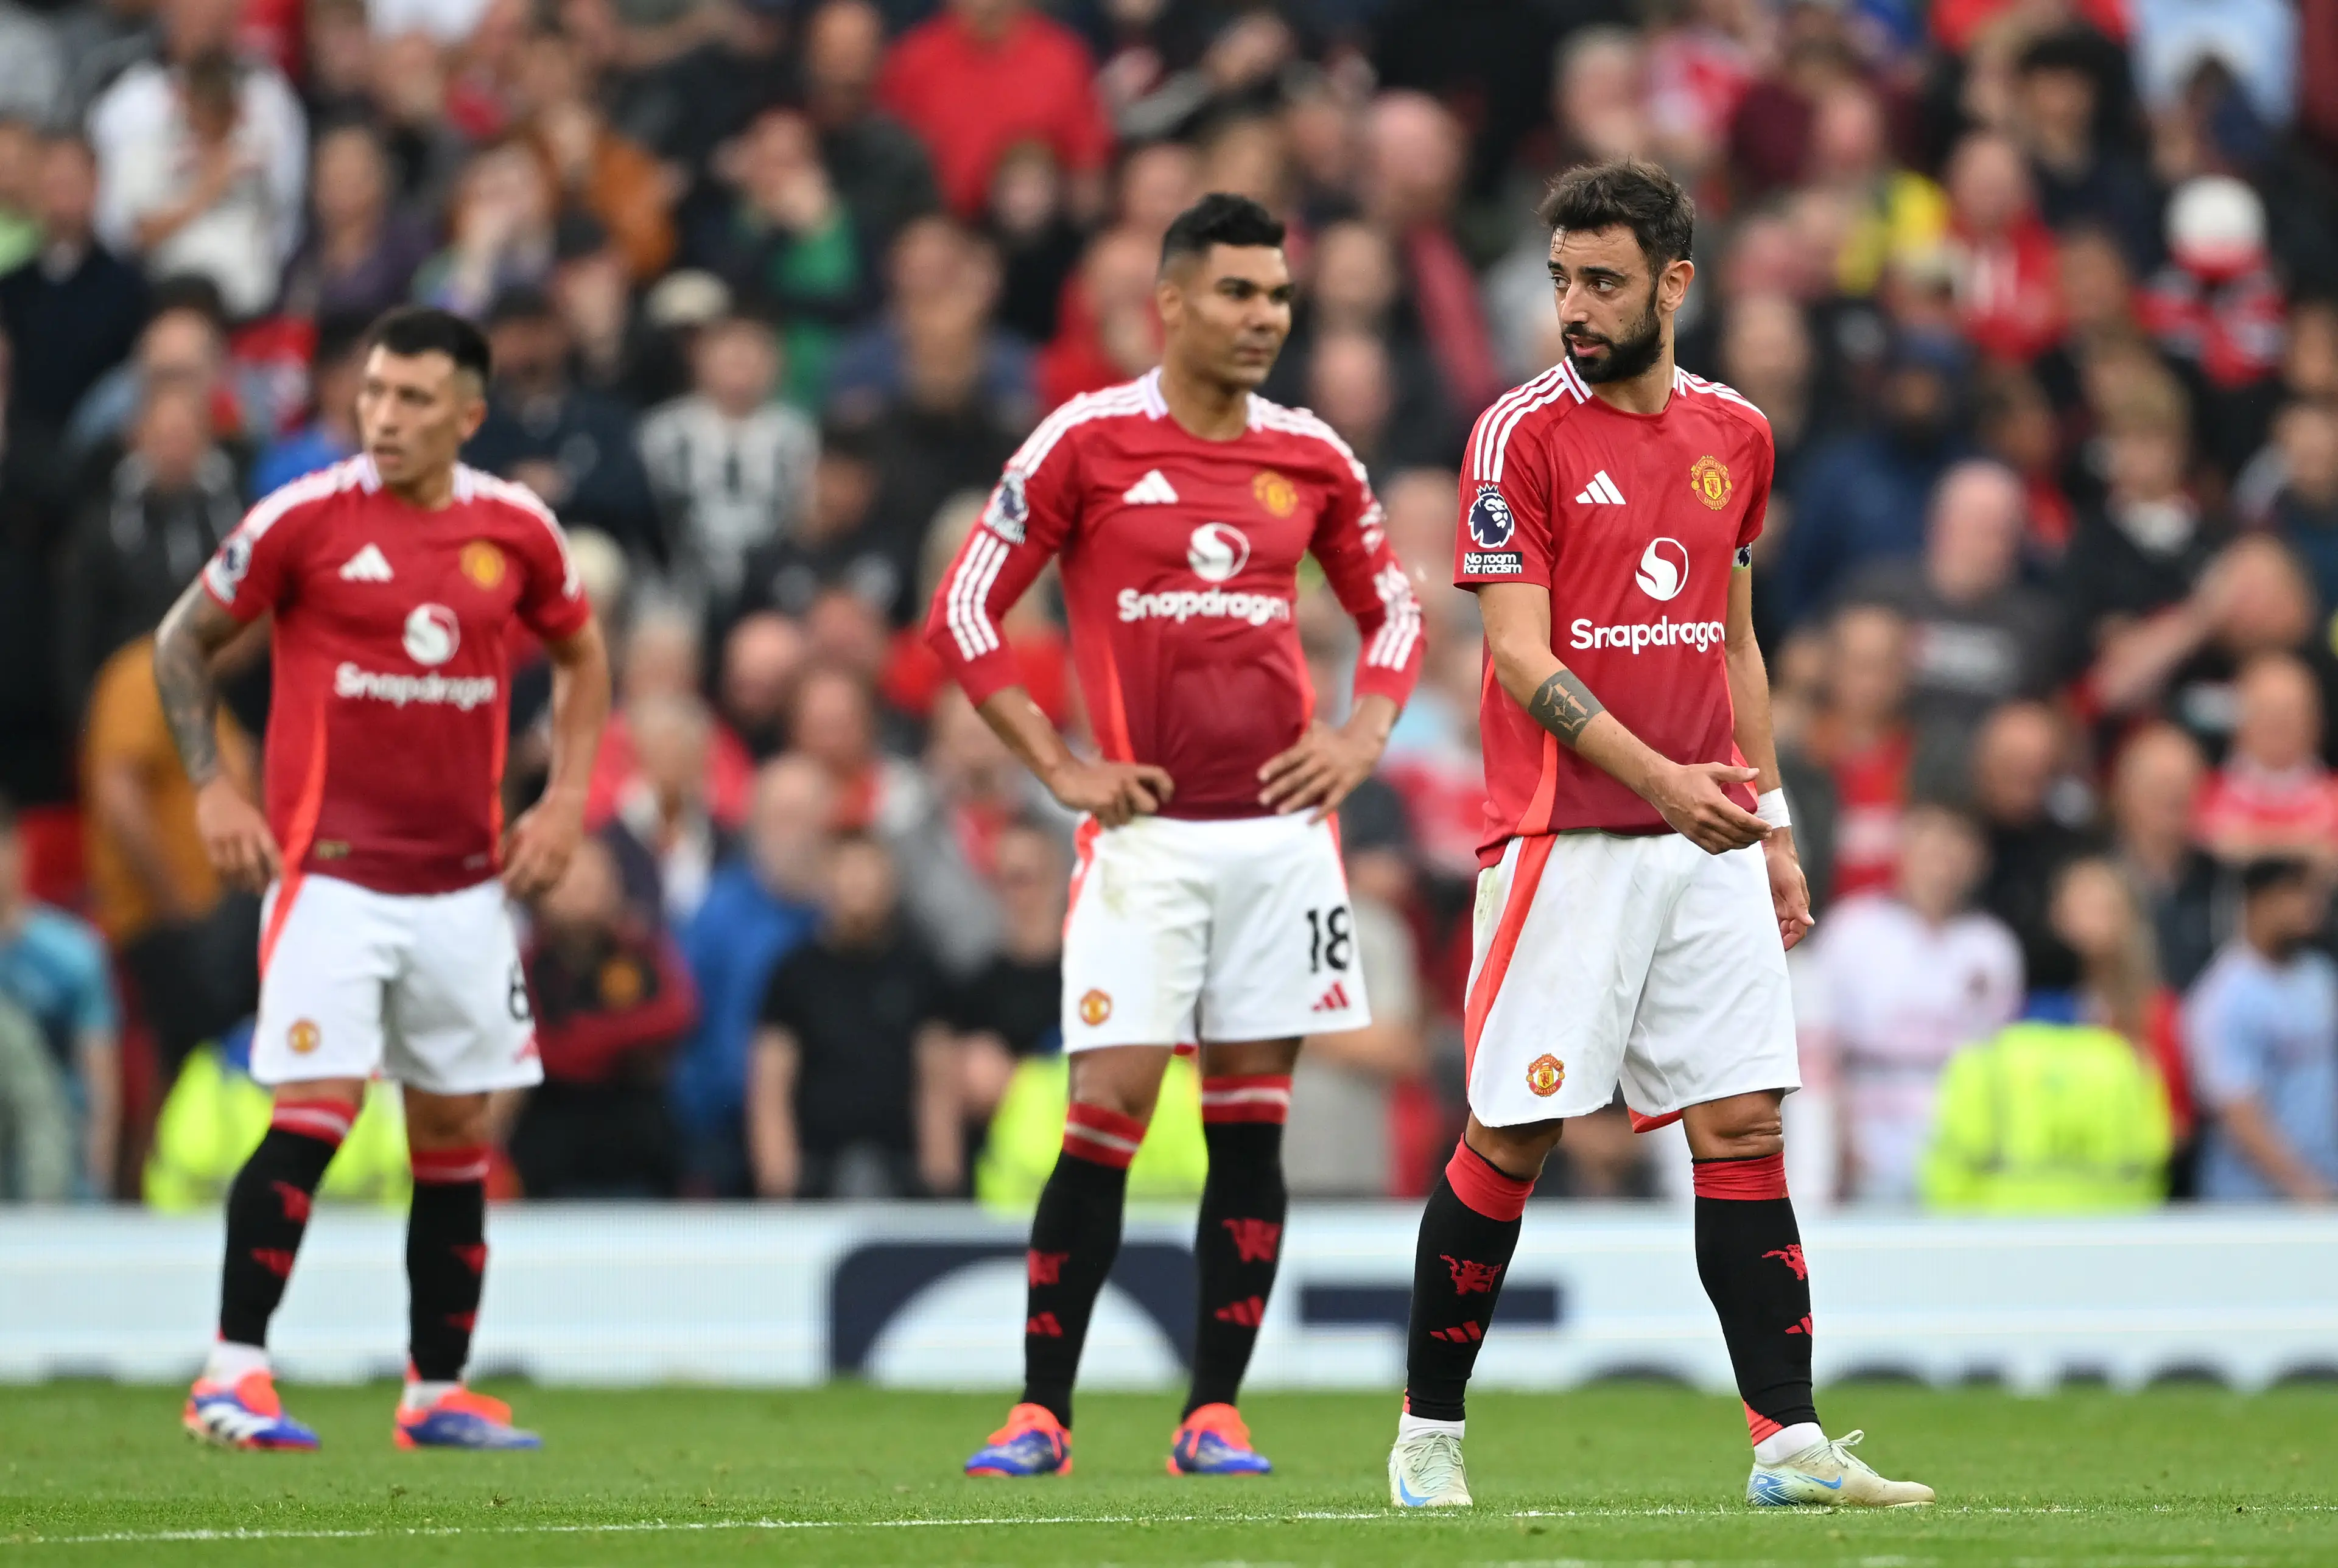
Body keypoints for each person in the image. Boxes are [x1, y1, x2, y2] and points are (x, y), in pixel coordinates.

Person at [1392, 159, 1930, 1511]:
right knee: (1517, 1132)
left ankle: (1788, 1442)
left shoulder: (1736, 433)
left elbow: (1734, 639)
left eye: (1604, 282)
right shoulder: (1515, 435)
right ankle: (1427, 1435)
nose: (1575, 307)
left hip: (1709, 843)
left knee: (1743, 1121)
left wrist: (1772, 820)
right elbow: (1517, 657)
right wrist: (1663, 781)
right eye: (1564, 279)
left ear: (1676, 284)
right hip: (1564, 834)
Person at [927, 193, 1424, 1479]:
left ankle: (1214, 1411)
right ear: (1171, 303)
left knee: (1251, 1124)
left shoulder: (1313, 457)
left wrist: (1363, 741)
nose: (1265, 317)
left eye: (1278, 296)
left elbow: (1399, 612)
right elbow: (965, 612)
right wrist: (1058, 764)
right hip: (1145, 843)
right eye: (1238, 294)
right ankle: (1043, 1408)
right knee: (1111, 1107)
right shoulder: (1085, 443)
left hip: (1278, 844)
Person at [153, 307, 611, 1451]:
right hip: (334, 881)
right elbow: (182, 642)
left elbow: (584, 654)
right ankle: (232, 1373)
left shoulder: (519, 530)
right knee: (317, 1108)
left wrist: (561, 803)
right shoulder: (305, 518)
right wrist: (212, 784)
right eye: (373, 394)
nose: (385, 417)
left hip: (464, 890)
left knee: (455, 1129)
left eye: (412, 399)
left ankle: (435, 1392)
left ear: (470, 412)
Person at [1805, 805, 2024, 1202]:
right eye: (1930, 842)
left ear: (1978, 858)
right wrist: (1836, 1150)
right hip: (1871, 1164)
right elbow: (1821, 1056)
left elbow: (2002, 1066)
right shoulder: (1850, 931)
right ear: (1903, 848)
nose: (1942, 858)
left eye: (1955, 844)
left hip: (1966, 1170)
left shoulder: (1995, 946)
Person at [747, 831, 955, 1199]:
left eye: (869, 871)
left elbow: (936, 1078)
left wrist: (941, 1176)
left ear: (890, 884)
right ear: (825, 881)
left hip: (900, 1169)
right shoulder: (794, 973)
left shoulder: (920, 970)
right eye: (847, 871)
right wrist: (777, 1176)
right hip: (816, 1171)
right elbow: (771, 1083)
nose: (858, 883)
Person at [2183, 858, 2338, 1203]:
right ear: (2257, 903)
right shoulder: (2225, 993)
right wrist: (2302, 1185)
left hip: (2324, 1184)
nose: (2310, 906)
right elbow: (2237, 1110)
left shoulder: (2320, 977)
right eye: (2293, 894)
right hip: (2249, 1199)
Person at [0, 791, 119, 1199]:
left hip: (58, 1164)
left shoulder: (74, 954)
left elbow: (101, 1084)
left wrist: (95, 1183)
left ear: (20, 848)